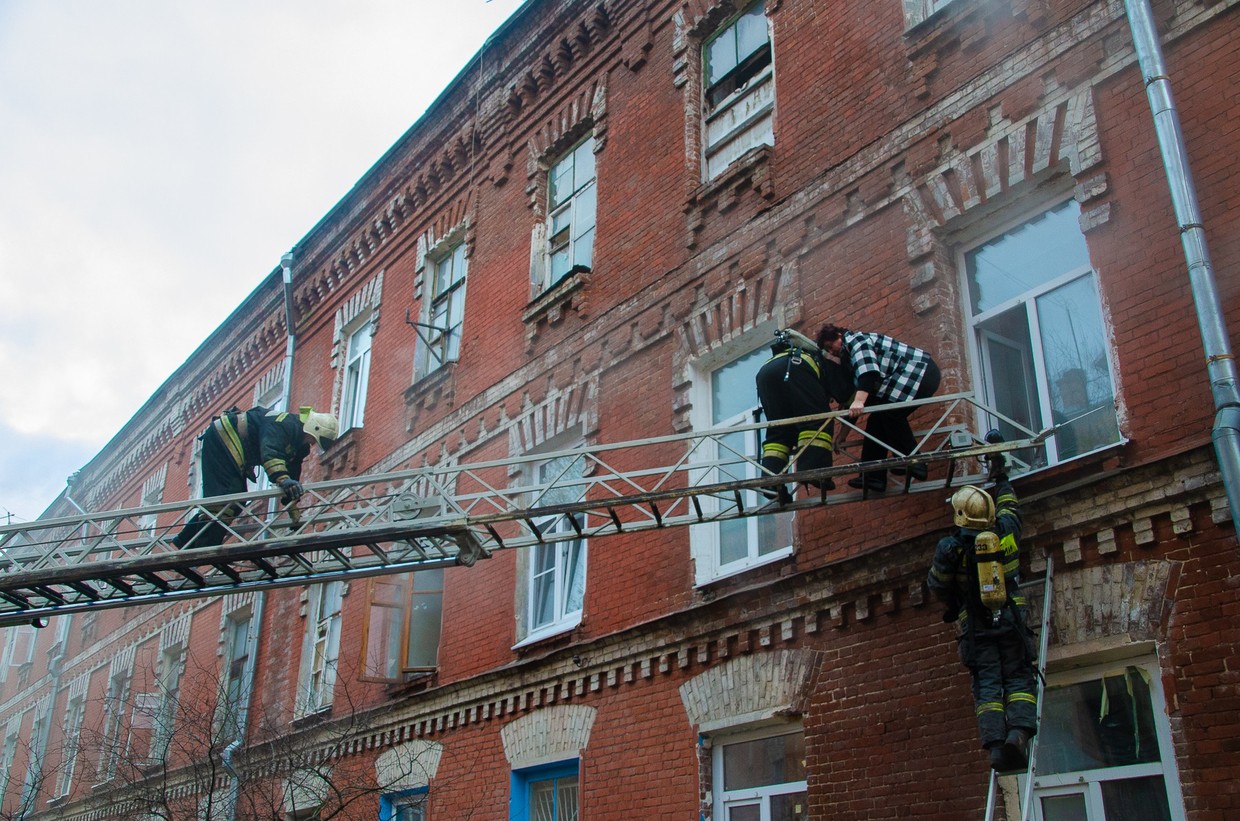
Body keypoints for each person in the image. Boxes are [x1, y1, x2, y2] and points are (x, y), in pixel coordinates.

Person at [926, 455, 1037, 772]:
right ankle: (1018, 734)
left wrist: (951, 607)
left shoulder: (951, 548)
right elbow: (1009, 506)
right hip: (1012, 618)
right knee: (1017, 676)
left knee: (988, 685)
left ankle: (996, 749)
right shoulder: (1006, 529)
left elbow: (938, 585)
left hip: (975, 626)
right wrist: (1000, 477)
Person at [172, 406, 338, 549]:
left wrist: (294, 512)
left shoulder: (299, 446)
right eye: (314, 439)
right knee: (227, 496)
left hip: (233, 445)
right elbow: (271, 454)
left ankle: (188, 541)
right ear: (312, 428)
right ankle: (202, 547)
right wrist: (283, 479)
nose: (312, 444)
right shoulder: (284, 424)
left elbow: (291, 477)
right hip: (222, 436)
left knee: (234, 501)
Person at [815, 324, 941, 492]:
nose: (832, 352)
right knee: (877, 418)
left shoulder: (855, 340)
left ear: (839, 335)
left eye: (831, 346)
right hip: (904, 382)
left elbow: (868, 373)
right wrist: (843, 435)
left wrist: (860, 400)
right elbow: (854, 398)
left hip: (921, 373)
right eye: (828, 350)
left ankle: (914, 462)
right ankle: (873, 476)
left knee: (889, 413)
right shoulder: (849, 360)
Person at [754, 328, 851, 502]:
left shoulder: (796, 353)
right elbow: (844, 394)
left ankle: (770, 480)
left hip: (765, 374)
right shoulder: (832, 363)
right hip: (795, 368)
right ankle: (813, 470)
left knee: (780, 432)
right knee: (818, 421)